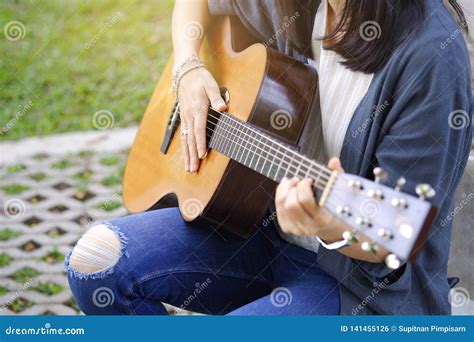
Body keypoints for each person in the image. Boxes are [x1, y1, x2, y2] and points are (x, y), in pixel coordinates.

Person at [65, 0, 472, 315]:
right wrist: (188, 68)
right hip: (259, 230)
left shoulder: (431, 59)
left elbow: (393, 239)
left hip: (360, 289)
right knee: (94, 262)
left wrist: (328, 225)